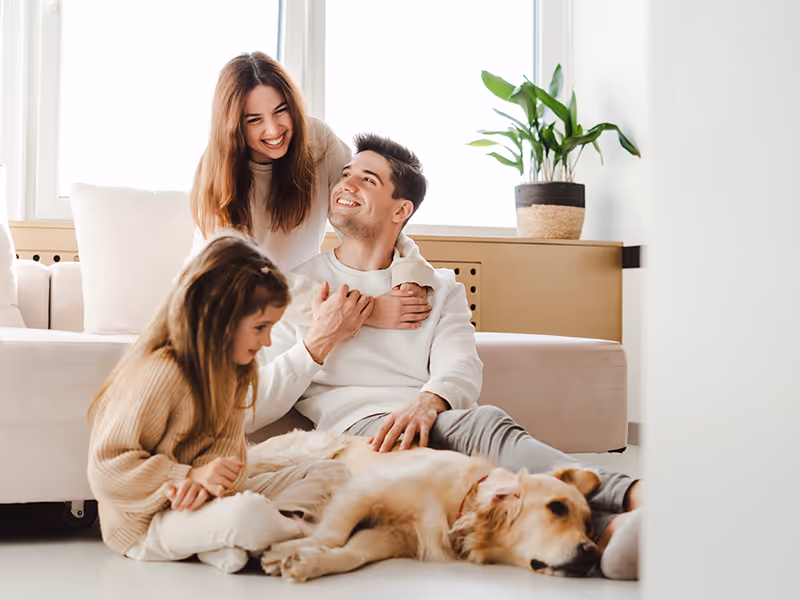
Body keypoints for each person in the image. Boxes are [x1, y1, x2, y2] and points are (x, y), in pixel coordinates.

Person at [248, 133, 642, 580]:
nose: (345, 184)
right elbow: (259, 400)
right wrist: (318, 341)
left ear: (401, 210)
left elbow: (461, 364)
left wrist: (427, 401)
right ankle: (632, 502)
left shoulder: (437, 286)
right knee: (482, 444)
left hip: (438, 418)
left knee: (490, 472)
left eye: (367, 179)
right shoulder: (296, 288)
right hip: (361, 434)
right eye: (345, 175)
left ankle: (612, 532)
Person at [87, 234, 348, 574]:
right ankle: (301, 534)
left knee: (334, 473)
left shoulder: (234, 370)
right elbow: (107, 468)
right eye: (260, 327)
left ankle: (226, 541)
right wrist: (188, 476)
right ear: (218, 317)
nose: (267, 341)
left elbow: (226, 456)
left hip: (204, 502)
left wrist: (209, 485)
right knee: (247, 516)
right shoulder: (161, 372)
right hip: (146, 522)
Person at [189, 51, 433, 331]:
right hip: (222, 307)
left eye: (281, 111)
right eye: (254, 120)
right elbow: (241, 278)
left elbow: (370, 214)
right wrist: (369, 311)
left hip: (301, 303)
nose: (273, 129)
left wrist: (410, 270)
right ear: (233, 127)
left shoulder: (317, 141)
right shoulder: (217, 172)